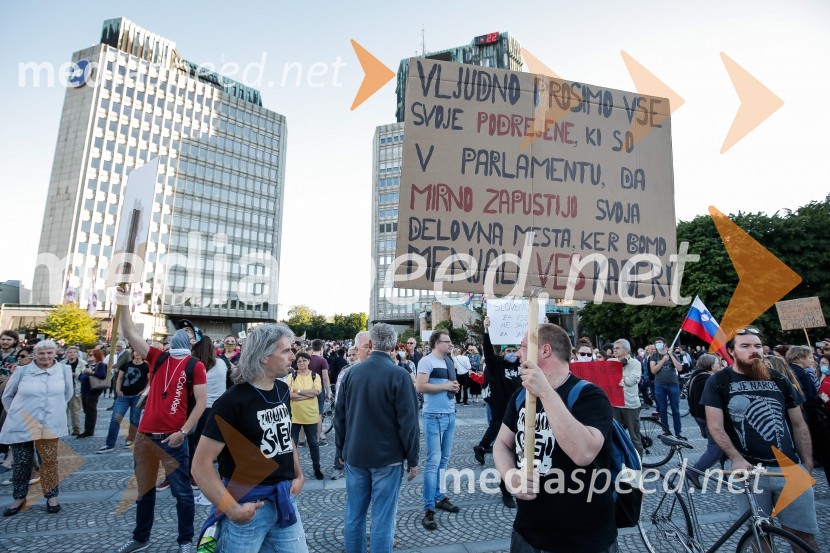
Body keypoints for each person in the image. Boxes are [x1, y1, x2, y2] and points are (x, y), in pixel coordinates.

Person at [493, 324, 616, 553]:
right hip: (527, 533)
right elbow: (501, 444)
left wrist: (546, 392)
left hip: (583, 538)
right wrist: (511, 476)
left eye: (522, 347)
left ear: (545, 351)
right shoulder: (521, 396)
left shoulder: (590, 396)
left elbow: (583, 453)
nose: (517, 353)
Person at [192, 323, 309, 553]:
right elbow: (200, 466)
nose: (292, 356)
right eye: (285, 351)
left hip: (284, 501)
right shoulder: (231, 403)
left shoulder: (282, 391)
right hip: (247, 506)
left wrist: (299, 474)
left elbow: (285, 435)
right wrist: (233, 510)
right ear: (264, 357)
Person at [702, 326, 818, 550]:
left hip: (789, 468)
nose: (754, 350)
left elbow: (798, 424)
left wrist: (808, 463)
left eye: (757, 346)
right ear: (732, 351)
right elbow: (715, 426)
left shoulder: (779, 378)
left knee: (804, 536)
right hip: (748, 472)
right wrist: (735, 458)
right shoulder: (718, 381)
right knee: (758, 535)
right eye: (745, 346)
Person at [114, 290, 207, 553]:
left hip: (172, 438)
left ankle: (185, 541)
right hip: (145, 436)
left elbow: (201, 403)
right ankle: (141, 538)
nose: (183, 334)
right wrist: (123, 304)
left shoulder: (195, 365)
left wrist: (183, 432)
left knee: (182, 493)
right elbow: (131, 334)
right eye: (181, 331)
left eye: (190, 333)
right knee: (144, 492)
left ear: (194, 341)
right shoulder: (158, 357)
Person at [334, 324, 419, 553]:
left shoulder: (351, 374)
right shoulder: (400, 375)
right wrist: (413, 458)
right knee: (382, 518)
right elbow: (409, 422)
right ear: (393, 346)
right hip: (388, 459)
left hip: (355, 455)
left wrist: (340, 450)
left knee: (354, 515)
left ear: (370, 344)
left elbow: (338, 416)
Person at [0, 340, 72, 516]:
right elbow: (7, 395)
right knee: (22, 462)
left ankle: (52, 497)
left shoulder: (64, 371)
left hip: (49, 424)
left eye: (49, 353)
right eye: (41, 353)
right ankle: (19, 497)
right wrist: (16, 413)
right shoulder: (22, 371)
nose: (45, 357)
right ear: (35, 355)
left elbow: (67, 394)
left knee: (49, 461)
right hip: (22, 424)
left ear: (55, 354)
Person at [415, 329, 461, 530]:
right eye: (447, 341)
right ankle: (428, 507)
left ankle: (439, 496)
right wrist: (445, 386)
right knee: (433, 461)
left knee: (444, 459)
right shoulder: (427, 361)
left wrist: (454, 387)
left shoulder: (448, 361)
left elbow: (450, 384)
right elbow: (421, 387)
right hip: (433, 416)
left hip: (450, 414)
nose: (450, 344)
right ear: (436, 343)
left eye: (450, 341)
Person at [188, 335, 228, 487]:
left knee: (197, 444)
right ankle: (222, 476)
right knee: (220, 444)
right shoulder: (222, 364)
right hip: (220, 409)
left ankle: (195, 476)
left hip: (200, 409)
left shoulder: (194, 365)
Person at [331, 336, 369, 481]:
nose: (352, 357)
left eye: (354, 354)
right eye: (350, 355)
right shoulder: (344, 371)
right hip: (344, 410)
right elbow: (339, 392)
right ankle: (338, 466)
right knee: (340, 436)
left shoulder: (362, 371)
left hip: (357, 411)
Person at [685, 354, 725, 488]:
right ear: (711, 365)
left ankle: (727, 474)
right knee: (717, 447)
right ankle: (694, 472)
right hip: (709, 418)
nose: (719, 365)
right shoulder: (706, 379)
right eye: (717, 363)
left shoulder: (697, 376)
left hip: (701, 417)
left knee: (723, 445)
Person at [98, 350, 149, 452]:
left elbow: (150, 380)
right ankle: (110, 444)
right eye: (135, 351)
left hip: (137, 396)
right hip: (123, 396)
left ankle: (131, 440)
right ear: (133, 353)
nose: (138, 353)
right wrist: (117, 390)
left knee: (134, 420)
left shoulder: (146, 366)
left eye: (139, 352)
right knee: (115, 419)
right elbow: (120, 378)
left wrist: (144, 391)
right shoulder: (126, 365)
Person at [286, 352, 324, 480]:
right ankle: (292, 469)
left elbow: (316, 392)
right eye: (299, 361)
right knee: (293, 443)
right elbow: (288, 394)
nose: (301, 363)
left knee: (313, 442)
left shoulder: (315, 376)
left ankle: (317, 468)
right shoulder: (292, 376)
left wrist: (298, 392)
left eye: (304, 360)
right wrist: (306, 395)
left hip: (310, 414)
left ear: (308, 361)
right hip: (294, 415)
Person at [649, 337, 686, 440]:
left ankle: (678, 432)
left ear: (665, 344)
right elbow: (653, 370)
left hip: (673, 384)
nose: (658, 345)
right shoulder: (654, 356)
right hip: (659, 385)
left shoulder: (673, 354)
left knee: (675, 409)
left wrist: (671, 356)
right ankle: (665, 431)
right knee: (662, 409)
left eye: (660, 343)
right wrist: (663, 360)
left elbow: (679, 368)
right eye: (656, 343)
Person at [612, 339, 643, 457]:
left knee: (634, 436)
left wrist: (619, 379)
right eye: (614, 348)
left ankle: (638, 462)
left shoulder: (635, 363)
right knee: (616, 436)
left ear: (625, 350)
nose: (614, 350)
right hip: (615, 404)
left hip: (630, 404)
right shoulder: (611, 362)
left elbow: (633, 379)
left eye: (617, 348)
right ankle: (620, 460)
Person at [77, 349, 108, 438]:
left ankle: (89, 430)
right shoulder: (87, 365)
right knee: (87, 410)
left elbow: (102, 375)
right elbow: (81, 377)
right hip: (85, 390)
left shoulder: (100, 365)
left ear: (97, 356)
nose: (89, 357)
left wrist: (91, 372)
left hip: (93, 390)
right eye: (88, 355)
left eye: (92, 355)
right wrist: (83, 373)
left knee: (91, 410)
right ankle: (87, 429)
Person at [308, 339, 331, 446]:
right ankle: (317, 437)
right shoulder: (322, 361)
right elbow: (325, 378)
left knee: (306, 412)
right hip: (318, 389)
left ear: (312, 347)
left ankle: (304, 439)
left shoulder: (306, 359)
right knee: (318, 414)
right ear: (322, 347)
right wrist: (329, 392)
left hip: (306, 389)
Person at [63, 346, 86, 436]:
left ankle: (76, 428)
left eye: (74, 352)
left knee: (75, 409)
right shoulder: (62, 363)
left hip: (76, 387)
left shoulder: (82, 363)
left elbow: (84, 374)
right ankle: (65, 428)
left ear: (77, 354)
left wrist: (74, 374)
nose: (72, 354)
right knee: (63, 409)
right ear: (67, 354)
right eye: (70, 352)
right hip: (64, 388)